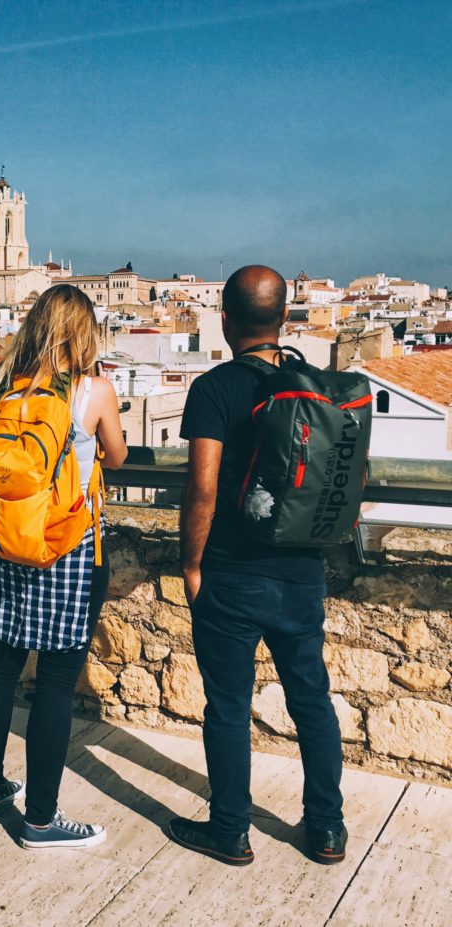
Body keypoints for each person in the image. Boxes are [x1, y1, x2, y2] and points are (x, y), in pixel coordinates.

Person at [171, 265, 347, 866]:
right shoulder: (317, 386)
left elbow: (202, 488)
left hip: (231, 570)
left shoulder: (214, 389)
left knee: (227, 705)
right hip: (302, 571)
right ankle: (326, 829)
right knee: (312, 703)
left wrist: (191, 563)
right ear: (286, 318)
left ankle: (231, 831)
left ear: (223, 319)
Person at [0, 283, 127, 849]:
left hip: (9, 539)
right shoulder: (93, 390)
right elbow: (119, 454)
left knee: (0, 666)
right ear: (84, 335)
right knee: (56, 682)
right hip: (65, 544)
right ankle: (40, 820)